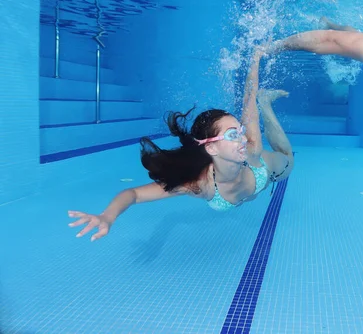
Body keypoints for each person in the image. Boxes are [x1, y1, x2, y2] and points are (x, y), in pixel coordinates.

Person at [68, 49, 294, 241]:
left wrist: (255, 58)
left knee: (285, 155)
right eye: (233, 134)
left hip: (272, 171)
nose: (243, 138)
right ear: (211, 148)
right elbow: (134, 194)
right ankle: (266, 103)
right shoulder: (200, 185)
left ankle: (266, 104)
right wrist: (108, 216)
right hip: (248, 188)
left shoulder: (251, 150)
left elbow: (247, 98)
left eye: (241, 131)